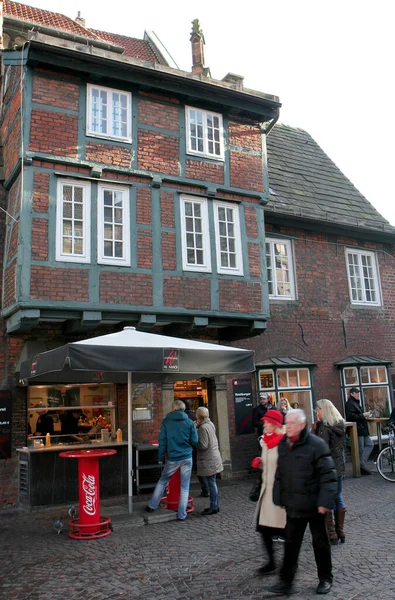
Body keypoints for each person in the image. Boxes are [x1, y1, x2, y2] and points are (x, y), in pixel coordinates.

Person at [268, 409, 337, 596]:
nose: (287, 426)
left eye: (291, 423)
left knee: (320, 544)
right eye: (286, 423)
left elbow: (329, 476)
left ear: (301, 425)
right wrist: (280, 498)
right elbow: (280, 474)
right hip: (294, 505)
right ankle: (286, 582)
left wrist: (324, 502)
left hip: (315, 505)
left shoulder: (317, 445)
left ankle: (325, 579)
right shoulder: (284, 444)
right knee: (290, 545)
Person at [146, 400, 198, 521]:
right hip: (186, 457)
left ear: (173, 409)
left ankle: (152, 505)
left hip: (173, 457)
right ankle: (181, 514)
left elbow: (162, 441)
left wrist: (160, 458)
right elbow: (195, 441)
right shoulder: (190, 422)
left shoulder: (166, 422)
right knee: (185, 486)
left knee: (163, 481)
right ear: (183, 409)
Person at [253, 409, 286, 574]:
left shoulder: (284, 441)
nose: (264, 424)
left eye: (267, 422)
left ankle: (288, 565)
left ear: (275, 424)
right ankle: (271, 561)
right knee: (263, 528)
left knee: (285, 530)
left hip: (280, 493)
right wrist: (260, 463)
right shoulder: (266, 440)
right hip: (266, 492)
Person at [314, 399, 346, 545]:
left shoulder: (324, 428)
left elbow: (321, 448)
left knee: (328, 498)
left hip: (327, 468)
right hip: (338, 466)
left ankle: (332, 533)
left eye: (318, 409)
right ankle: (340, 531)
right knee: (338, 496)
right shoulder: (339, 425)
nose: (316, 412)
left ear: (323, 410)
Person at [195, 406, 223, 515]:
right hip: (214, 456)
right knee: (212, 481)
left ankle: (214, 506)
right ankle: (215, 505)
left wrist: (194, 441)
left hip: (208, 458)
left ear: (199, 415)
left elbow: (203, 445)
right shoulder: (210, 424)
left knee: (211, 482)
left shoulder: (203, 428)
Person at [184, 399, 209, 498]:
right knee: (201, 470)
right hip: (200, 449)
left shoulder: (186, 418)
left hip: (193, 447)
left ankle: (205, 490)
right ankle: (206, 490)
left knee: (198, 469)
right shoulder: (208, 424)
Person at [345, 387, 373, 475]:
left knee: (370, 444)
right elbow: (351, 417)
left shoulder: (356, 403)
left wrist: (364, 416)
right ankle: (360, 468)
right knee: (360, 449)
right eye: (356, 393)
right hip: (357, 429)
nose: (358, 394)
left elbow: (357, 415)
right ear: (351, 394)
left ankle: (362, 463)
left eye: (358, 393)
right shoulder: (349, 404)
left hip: (362, 428)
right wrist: (363, 415)